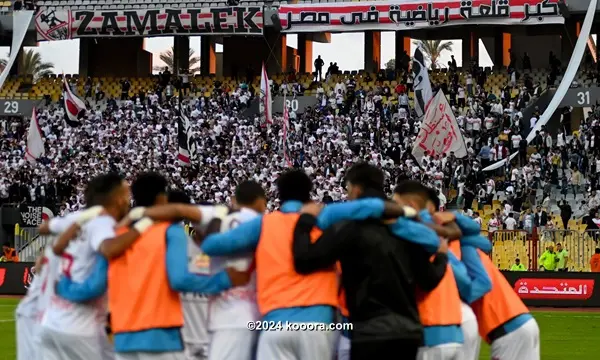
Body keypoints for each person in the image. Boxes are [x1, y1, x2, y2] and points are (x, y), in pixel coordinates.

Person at [200, 168, 422, 360]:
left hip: (275, 323)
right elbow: (368, 207)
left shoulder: (264, 224)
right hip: (318, 323)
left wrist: (218, 215)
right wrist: (406, 210)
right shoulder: (325, 216)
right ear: (309, 193)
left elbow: (211, 246)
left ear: (277, 195)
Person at [54, 172, 253, 360]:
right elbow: (179, 279)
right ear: (161, 198)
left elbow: (95, 285)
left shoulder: (115, 235)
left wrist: (63, 286)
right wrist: (225, 279)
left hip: (123, 337)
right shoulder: (169, 231)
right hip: (160, 335)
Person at [291, 166, 452, 360]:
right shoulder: (408, 230)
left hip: (370, 332)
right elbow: (428, 280)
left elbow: (306, 260)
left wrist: (304, 221)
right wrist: (442, 256)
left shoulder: (348, 227)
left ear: (357, 189)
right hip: (408, 332)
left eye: (349, 189)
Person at [38, 173, 130, 360]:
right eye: (126, 194)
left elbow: (43, 228)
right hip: (80, 328)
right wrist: (143, 224)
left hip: (51, 323)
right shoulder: (103, 223)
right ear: (117, 198)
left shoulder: (76, 218)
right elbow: (108, 248)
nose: (128, 200)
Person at [207, 181, 267, 360]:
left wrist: (217, 215)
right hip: (257, 311)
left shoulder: (216, 220)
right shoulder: (263, 222)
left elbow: (195, 233)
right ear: (260, 201)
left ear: (233, 199)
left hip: (226, 314)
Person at [463, 242, 540, 360]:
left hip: (508, 333)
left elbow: (484, 284)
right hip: (524, 323)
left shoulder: (461, 254)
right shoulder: (473, 252)